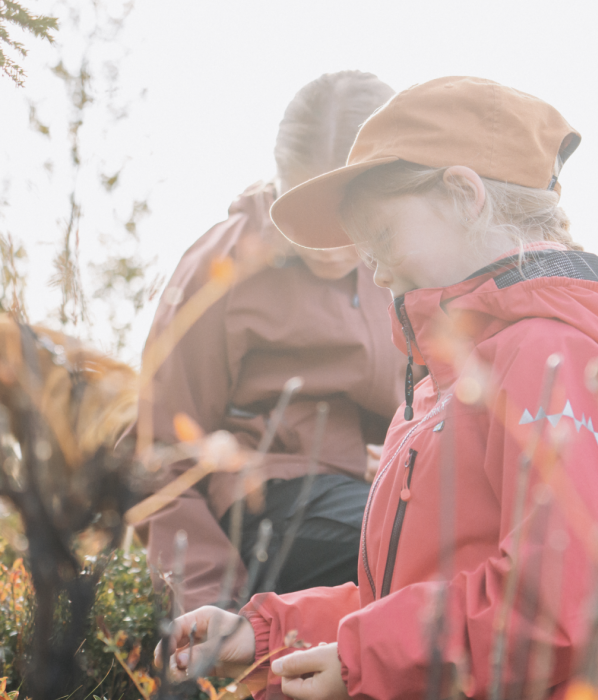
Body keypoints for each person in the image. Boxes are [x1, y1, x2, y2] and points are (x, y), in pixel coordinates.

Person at [156, 77, 598, 700]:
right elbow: (397, 596)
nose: (373, 268)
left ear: (462, 195)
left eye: (383, 238)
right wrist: (265, 633)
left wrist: (362, 655)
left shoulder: (555, 362)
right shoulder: (435, 394)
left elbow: (558, 609)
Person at [136, 71, 406, 613]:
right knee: (402, 556)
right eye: (303, 212)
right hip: (273, 502)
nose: (327, 243)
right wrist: (212, 600)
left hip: (393, 487)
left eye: (346, 217)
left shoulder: (414, 264)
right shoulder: (223, 269)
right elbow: (157, 452)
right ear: (280, 182)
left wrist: (411, 453)